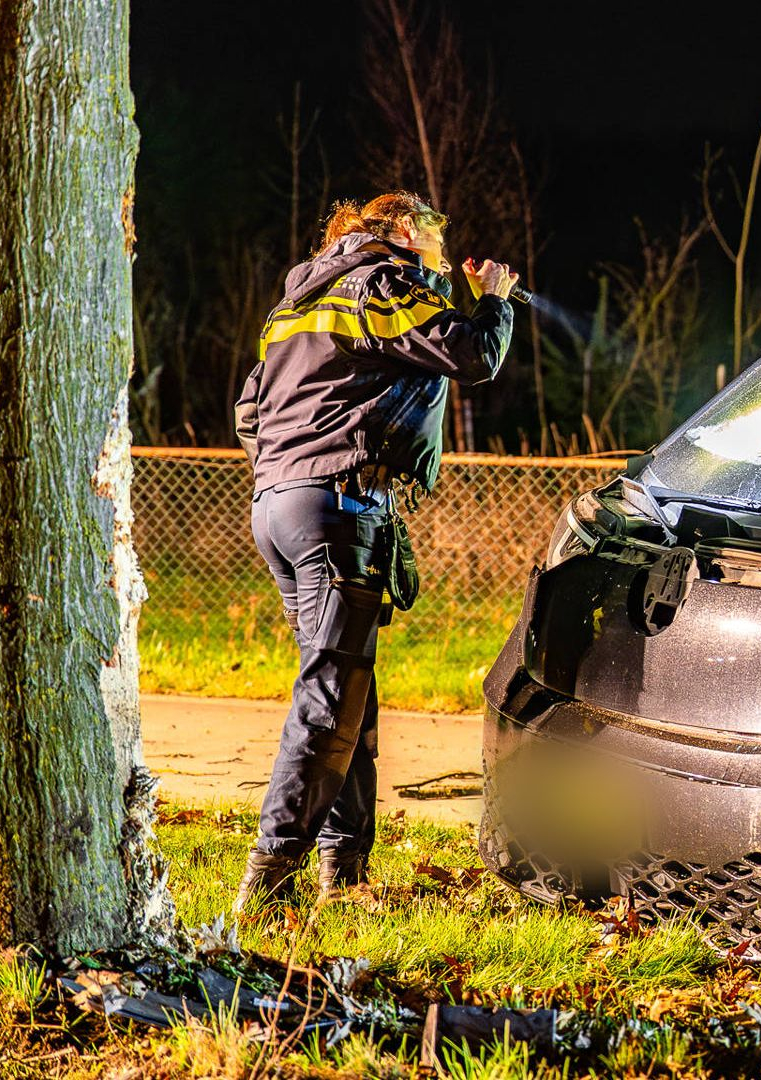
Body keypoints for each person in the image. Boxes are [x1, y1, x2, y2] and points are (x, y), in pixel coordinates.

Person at [230, 191, 518, 911]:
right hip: (336, 507)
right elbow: (472, 354)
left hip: (281, 506)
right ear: (401, 228)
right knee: (330, 700)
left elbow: (247, 413)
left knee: (347, 691)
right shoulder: (381, 282)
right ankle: (269, 881)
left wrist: (293, 465)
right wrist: (491, 300)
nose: (442, 250)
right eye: (434, 234)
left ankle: (345, 876)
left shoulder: (293, 305)